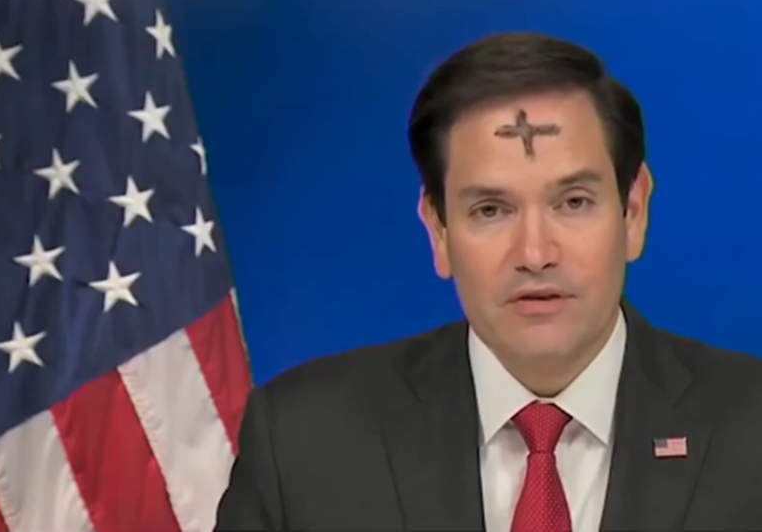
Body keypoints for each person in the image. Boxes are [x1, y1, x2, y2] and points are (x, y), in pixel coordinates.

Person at [214, 32, 762, 531]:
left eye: (573, 202)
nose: (535, 254)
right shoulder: (303, 441)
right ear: (438, 230)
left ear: (633, 211)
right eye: (491, 210)